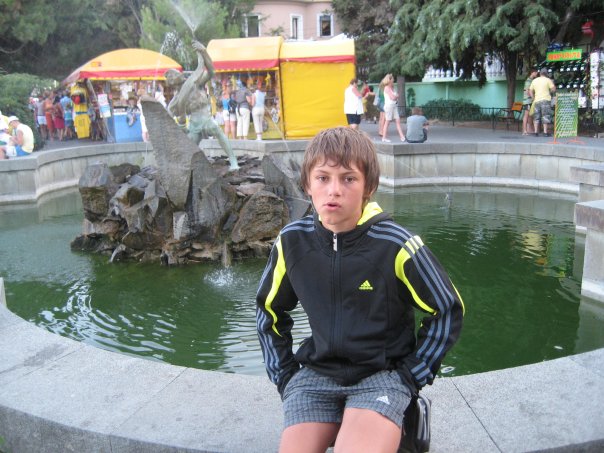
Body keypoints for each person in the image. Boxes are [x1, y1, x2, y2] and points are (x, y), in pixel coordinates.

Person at [256, 126, 464, 453]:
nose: (334, 190)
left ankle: (406, 415)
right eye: (323, 178)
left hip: (382, 374)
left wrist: (412, 374)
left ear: (369, 186)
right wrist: (284, 375)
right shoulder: (291, 242)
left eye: (349, 179)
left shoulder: (397, 244)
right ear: (307, 183)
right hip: (317, 373)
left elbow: (447, 309)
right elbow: (269, 311)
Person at [165, 40, 239, 170]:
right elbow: (167, 117)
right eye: (172, 76)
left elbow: (211, 71)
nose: (177, 75)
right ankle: (183, 169)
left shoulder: (195, 82)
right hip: (194, 124)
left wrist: (203, 52)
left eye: (175, 74)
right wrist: (180, 127)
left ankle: (233, 161)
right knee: (188, 149)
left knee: (217, 131)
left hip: (205, 117)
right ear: (171, 82)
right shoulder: (176, 100)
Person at [529, 68, 556, 137]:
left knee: (536, 116)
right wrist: (549, 92)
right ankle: (545, 132)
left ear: (540, 73)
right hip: (545, 100)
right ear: (546, 74)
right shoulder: (548, 80)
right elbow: (553, 89)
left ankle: (536, 132)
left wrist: (533, 98)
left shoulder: (535, 80)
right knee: (545, 116)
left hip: (537, 100)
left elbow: (530, 90)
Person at [381, 74, 405, 142]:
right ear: (389, 80)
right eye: (392, 79)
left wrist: (396, 96)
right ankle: (384, 137)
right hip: (389, 106)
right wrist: (396, 96)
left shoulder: (392, 87)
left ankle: (402, 137)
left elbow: (395, 96)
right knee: (387, 122)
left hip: (394, 106)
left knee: (398, 120)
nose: (393, 80)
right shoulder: (386, 88)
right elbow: (393, 97)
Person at [522, 68, 538, 135]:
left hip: (530, 100)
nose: (536, 73)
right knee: (526, 115)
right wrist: (533, 97)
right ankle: (524, 131)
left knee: (530, 115)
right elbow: (527, 91)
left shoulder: (531, 80)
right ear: (532, 73)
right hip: (527, 101)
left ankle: (529, 130)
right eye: (536, 72)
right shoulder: (528, 81)